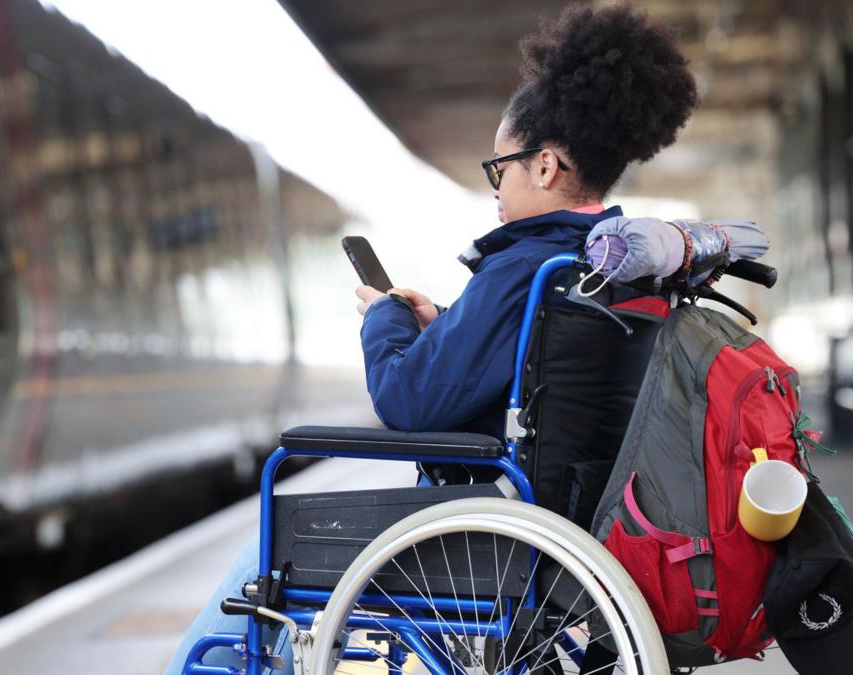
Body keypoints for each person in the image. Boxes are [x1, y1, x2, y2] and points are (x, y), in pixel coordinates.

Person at [165, 4, 699, 673]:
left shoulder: (522, 263)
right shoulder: (595, 262)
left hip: (491, 525)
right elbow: (531, 359)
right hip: (568, 515)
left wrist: (384, 316)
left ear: (545, 165)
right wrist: (441, 319)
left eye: (498, 167)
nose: (494, 189)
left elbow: (409, 403)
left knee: (265, 552)